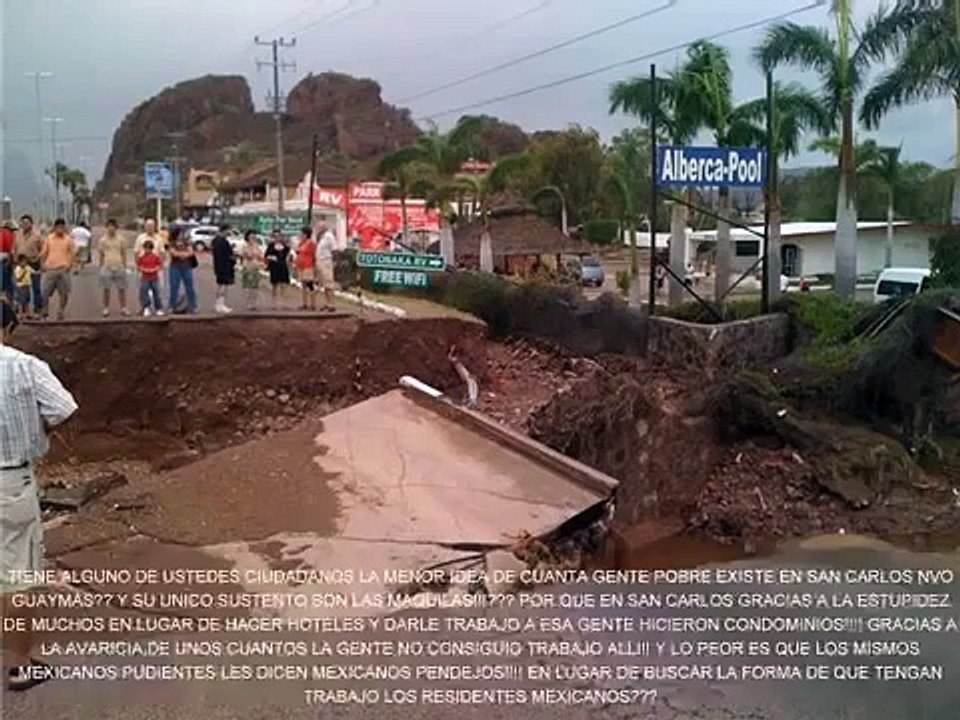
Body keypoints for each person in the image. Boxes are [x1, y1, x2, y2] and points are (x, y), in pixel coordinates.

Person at [0, 299, 78, 691]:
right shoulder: (24, 366)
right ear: (9, 328)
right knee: (15, 580)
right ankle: (19, 667)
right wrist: (38, 429)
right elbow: (64, 409)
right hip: (10, 481)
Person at [39, 219, 76, 321]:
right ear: (54, 228)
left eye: (62, 227)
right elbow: (43, 253)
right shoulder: (49, 238)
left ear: (64, 228)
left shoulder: (68, 240)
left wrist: (70, 265)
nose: (60, 229)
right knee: (45, 293)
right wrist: (42, 264)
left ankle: (61, 311)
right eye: (58, 227)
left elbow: (73, 254)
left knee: (64, 293)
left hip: (63, 269)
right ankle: (45, 312)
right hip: (50, 269)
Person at [97, 219, 130, 317]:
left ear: (116, 228)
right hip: (107, 266)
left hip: (119, 266)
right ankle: (106, 308)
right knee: (106, 288)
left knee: (122, 288)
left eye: (113, 226)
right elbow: (101, 255)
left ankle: (124, 308)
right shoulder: (102, 240)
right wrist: (100, 267)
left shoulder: (121, 240)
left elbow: (124, 253)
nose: (111, 228)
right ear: (106, 227)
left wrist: (125, 266)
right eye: (109, 226)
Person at [13, 215, 44, 317]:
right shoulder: (17, 235)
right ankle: (25, 312)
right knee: (22, 289)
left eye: (27, 222)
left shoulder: (37, 236)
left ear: (31, 223)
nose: (25, 224)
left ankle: (37, 310)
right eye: (23, 222)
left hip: (33, 264)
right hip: (21, 265)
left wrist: (39, 261)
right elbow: (14, 248)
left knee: (36, 288)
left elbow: (42, 250)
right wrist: (15, 259)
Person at [167, 229, 198, 314]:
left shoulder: (187, 241)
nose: (182, 234)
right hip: (175, 267)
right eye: (180, 233)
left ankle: (193, 306)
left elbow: (191, 252)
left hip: (187, 267)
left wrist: (182, 254)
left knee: (190, 287)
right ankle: (171, 306)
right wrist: (184, 254)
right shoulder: (172, 242)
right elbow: (173, 253)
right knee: (174, 287)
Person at [264, 229, 291, 310]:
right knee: (275, 285)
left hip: (283, 266)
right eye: (275, 236)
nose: (277, 238)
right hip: (274, 266)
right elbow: (266, 255)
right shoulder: (271, 246)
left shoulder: (285, 246)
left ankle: (284, 304)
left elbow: (288, 255)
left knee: (284, 285)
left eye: (279, 236)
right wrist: (271, 258)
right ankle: (274, 304)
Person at [211, 224, 235, 314]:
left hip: (219, 266)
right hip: (224, 266)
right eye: (229, 230)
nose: (229, 233)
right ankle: (220, 304)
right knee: (223, 286)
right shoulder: (222, 241)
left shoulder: (216, 240)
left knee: (221, 285)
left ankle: (219, 304)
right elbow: (228, 254)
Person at [136, 240, 164, 316]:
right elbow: (139, 266)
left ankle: (158, 308)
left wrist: (154, 269)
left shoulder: (155, 257)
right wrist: (144, 269)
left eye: (149, 248)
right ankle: (146, 308)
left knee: (156, 293)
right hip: (145, 278)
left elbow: (159, 265)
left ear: (152, 249)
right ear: (144, 248)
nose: (147, 250)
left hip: (154, 278)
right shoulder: (141, 257)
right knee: (144, 293)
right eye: (146, 248)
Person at [315, 221, 337, 313]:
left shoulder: (329, 237)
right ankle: (327, 303)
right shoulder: (321, 237)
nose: (317, 229)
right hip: (320, 262)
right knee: (325, 285)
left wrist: (334, 262)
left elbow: (334, 250)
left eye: (319, 227)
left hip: (326, 262)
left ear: (324, 227)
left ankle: (332, 304)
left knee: (329, 284)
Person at [240, 230, 264, 311]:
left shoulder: (257, 245)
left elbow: (260, 255)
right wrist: (253, 254)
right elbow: (247, 255)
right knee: (248, 286)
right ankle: (248, 303)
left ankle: (254, 303)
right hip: (247, 267)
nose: (253, 238)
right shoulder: (245, 246)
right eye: (251, 236)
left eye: (254, 236)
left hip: (255, 267)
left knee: (255, 286)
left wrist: (258, 256)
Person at [295, 227, 317, 311]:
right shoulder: (301, 243)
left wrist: (314, 266)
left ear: (305, 234)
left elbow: (313, 255)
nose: (300, 235)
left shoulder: (311, 243)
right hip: (301, 266)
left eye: (301, 234)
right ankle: (304, 303)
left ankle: (313, 304)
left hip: (308, 266)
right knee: (303, 285)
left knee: (309, 284)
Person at [0, 220, 15, 302]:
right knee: (7, 284)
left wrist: (10, 261)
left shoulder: (5, 233)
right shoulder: (8, 233)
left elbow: (11, 249)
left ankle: (9, 302)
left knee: (6, 284)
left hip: (4, 261)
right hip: (6, 260)